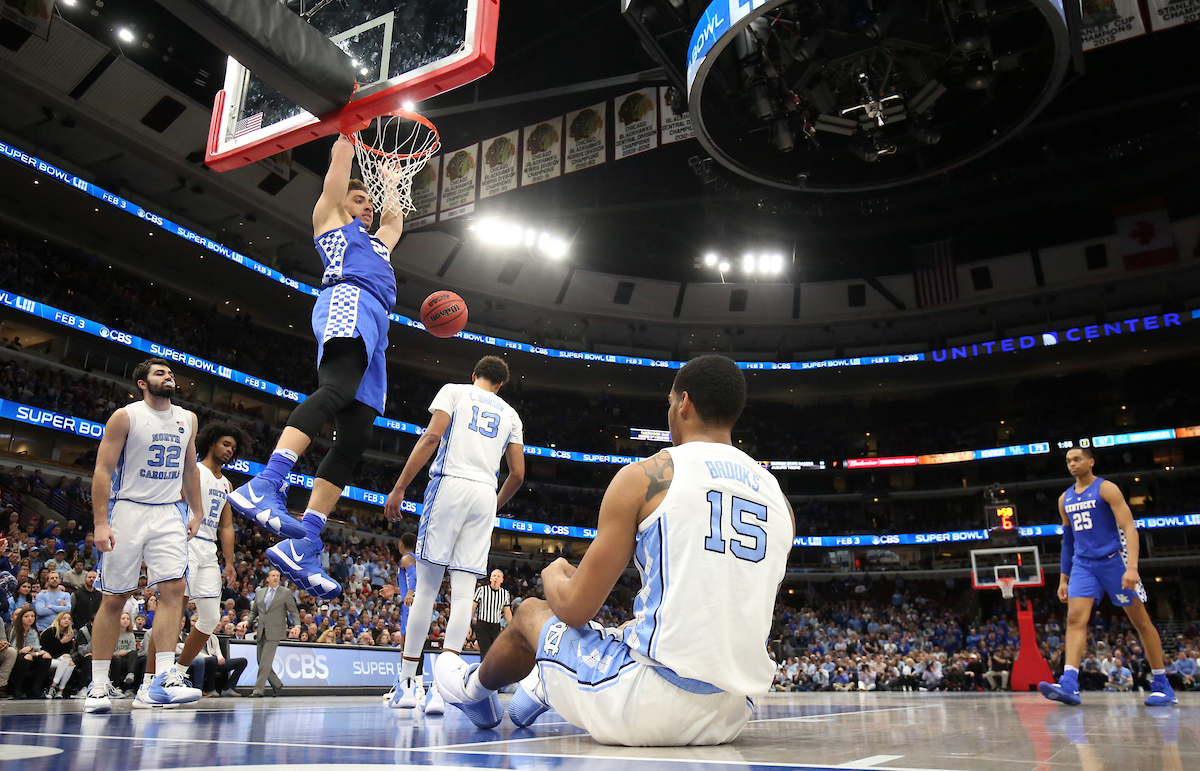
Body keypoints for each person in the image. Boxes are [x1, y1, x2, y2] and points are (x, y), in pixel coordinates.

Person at [434, 355, 794, 744]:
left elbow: (574, 608)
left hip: (648, 706)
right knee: (626, 629)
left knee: (530, 613)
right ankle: (539, 687)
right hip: (732, 711)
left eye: (670, 403)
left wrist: (553, 572)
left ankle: (471, 690)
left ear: (684, 403)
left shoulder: (647, 476)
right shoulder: (779, 500)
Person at [229, 133, 404, 601]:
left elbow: (394, 221)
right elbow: (336, 174)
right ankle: (266, 483)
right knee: (336, 389)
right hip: (347, 300)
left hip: (377, 326)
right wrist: (348, 135)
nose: (366, 204)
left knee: (356, 437)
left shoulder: (380, 246)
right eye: (358, 196)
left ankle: (304, 541)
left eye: (369, 200)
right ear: (342, 201)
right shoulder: (330, 222)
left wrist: (389, 182)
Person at [383, 355, 525, 714]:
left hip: (450, 485)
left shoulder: (455, 391)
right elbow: (518, 475)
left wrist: (400, 487)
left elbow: (432, 436)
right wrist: (493, 504)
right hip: (483, 494)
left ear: (473, 374)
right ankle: (443, 689)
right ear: (501, 385)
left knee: (427, 590)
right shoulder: (511, 414)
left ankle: (407, 685)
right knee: (464, 596)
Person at [84, 357, 205, 713]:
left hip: (169, 511)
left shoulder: (188, 419)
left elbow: (189, 469)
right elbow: (103, 470)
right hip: (129, 509)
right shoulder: (126, 416)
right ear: (142, 383)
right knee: (114, 598)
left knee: (174, 589)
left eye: (170, 372)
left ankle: (165, 677)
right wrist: (100, 522)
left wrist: (197, 511)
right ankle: (98, 684)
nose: (168, 376)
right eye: (159, 373)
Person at [1038, 448, 1176, 707]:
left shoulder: (1107, 489)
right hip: (1082, 564)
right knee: (1075, 618)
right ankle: (1069, 683)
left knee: (1141, 621)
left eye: (1077, 459)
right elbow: (1068, 541)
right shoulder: (1064, 498)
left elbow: (1129, 528)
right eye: (1068, 461)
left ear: (1091, 462)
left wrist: (1132, 567)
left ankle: (1162, 684)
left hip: (1115, 561)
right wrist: (1063, 578)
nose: (1072, 464)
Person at [137, 423, 247, 706]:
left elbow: (226, 525)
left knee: (210, 618)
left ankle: (177, 673)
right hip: (184, 542)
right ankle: (149, 683)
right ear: (211, 444)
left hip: (208, 550)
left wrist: (230, 562)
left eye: (233, 448)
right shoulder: (193, 470)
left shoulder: (226, 484)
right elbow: (173, 503)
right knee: (172, 612)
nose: (229, 450)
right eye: (225, 444)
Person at [247, 569, 297, 697]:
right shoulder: (260, 592)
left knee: (264, 662)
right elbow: (254, 612)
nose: (276, 578)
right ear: (267, 579)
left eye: (278, 576)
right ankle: (277, 685)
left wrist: (297, 625)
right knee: (260, 660)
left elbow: (293, 611)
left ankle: (258, 690)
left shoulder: (286, 593)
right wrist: (247, 622)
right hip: (261, 630)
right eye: (273, 576)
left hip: (275, 631)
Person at [8, 605, 51, 698]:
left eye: (32, 616)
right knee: (27, 657)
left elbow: (37, 648)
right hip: (16, 657)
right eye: (26, 616)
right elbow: (14, 649)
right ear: (21, 618)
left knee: (46, 656)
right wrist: (30, 651)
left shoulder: (33, 631)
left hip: (29, 655)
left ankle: (36, 688)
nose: (30, 619)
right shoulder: (14, 630)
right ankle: (17, 689)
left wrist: (31, 650)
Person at [472, 569, 512, 658]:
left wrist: (511, 627)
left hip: (495, 626)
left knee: (494, 652)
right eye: (494, 576)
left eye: (498, 577)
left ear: (502, 580)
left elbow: (507, 612)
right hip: (482, 624)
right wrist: (468, 624)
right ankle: (483, 670)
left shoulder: (505, 593)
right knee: (485, 651)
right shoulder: (482, 590)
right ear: (490, 578)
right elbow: (473, 607)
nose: (496, 578)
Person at [39, 611, 76, 698]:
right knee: (68, 661)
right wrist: (62, 642)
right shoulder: (49, 632)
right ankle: (54, 687)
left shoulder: (68, 633)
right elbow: (47, 650)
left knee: (70, 662)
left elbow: (66, 652)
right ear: (58, 620)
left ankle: (59, 690)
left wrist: (67, 642)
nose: (67, 621)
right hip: (46, 659)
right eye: (64, 619)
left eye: (69, 619)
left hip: (61, 660)